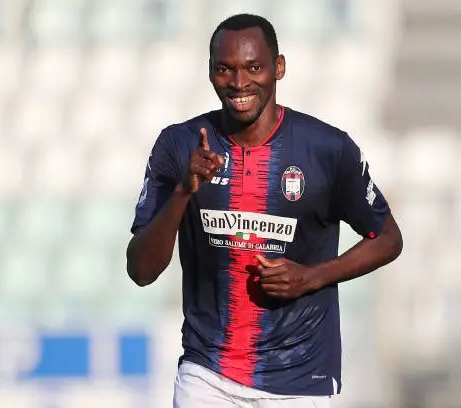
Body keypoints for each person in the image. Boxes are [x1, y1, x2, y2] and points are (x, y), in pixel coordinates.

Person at [126, 13, 403, 408]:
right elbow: (141, 271)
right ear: (210, 71)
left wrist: (310, 277)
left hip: (299, 379)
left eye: (254, 67)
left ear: (279, 67)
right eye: (225, 69)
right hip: (207, 374)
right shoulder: (180, 145)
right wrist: (184, 192)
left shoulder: (328, 149)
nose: (239, 82)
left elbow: (388, 238)